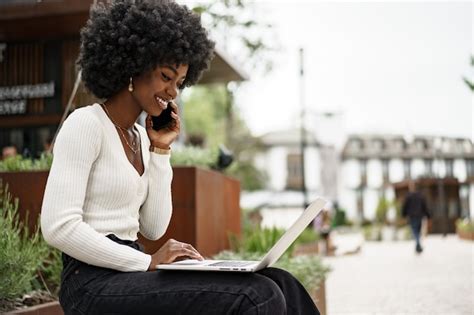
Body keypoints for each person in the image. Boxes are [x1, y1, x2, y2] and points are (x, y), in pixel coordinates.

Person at [40, 1, 320, 314]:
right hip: (91, 284)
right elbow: (58, 226)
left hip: (129, 273)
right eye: (165, 76)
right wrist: (147, 261)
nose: (173, 92)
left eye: (180, 83)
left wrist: (160, 150)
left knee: (281, 282)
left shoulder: (141, 137)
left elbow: (154, 227)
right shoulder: (85, 124)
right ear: (134, 64)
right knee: (257, 295)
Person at [402, 181, 430, 253]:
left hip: (413, 216)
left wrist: (404, 215)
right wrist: (427, 215)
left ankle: (418, 244)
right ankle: (418, 245)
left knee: (415, 231)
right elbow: (425, 207)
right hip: (419, 216)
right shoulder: (420, 196)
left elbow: (405, 207)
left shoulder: (409, 196)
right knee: (417, 230)